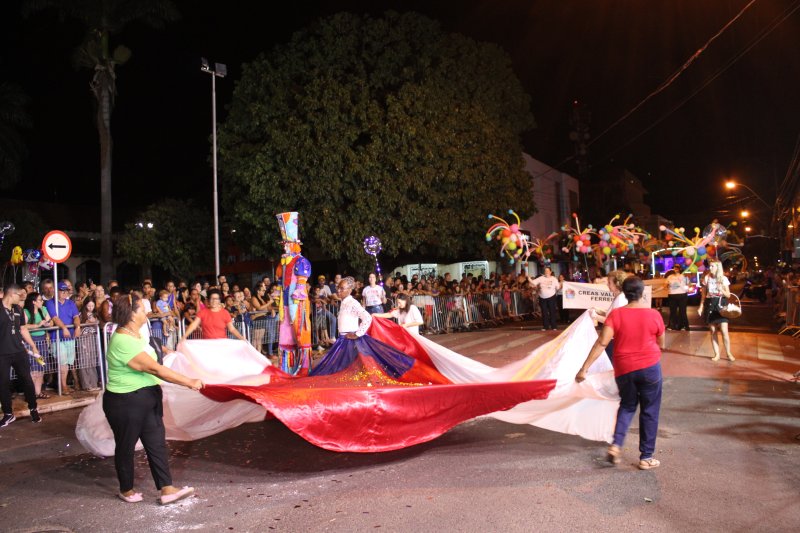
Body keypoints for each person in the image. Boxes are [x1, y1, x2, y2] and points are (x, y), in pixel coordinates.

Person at [103, 293, 202, 504]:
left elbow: (154, 357)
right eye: (142, 308)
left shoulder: (138, 334)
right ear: (132, 315)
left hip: (148, 396)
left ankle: (167, 489)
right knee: (126, 446)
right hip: (125, 401)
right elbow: (154, 368)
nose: (146, 311)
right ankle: (126, 489)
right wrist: (189, 381)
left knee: (156, 443)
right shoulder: (121, 340)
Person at [575, 276, 665, 470]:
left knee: (627, 406)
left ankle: (616, 445)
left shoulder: (616, 315)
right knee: (650, 411)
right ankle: (646, 457)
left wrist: (584, 368)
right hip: (650, 368)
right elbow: (662, 343)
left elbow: (602, 343)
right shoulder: (654, 315)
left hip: (624, 368)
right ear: (642, 294)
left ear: (624, 292)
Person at [1, 284, 42, 427]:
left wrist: (33, 345)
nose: (22, 297)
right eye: (19, 295)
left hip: (19, 351)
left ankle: (33, 409)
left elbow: (23, 329)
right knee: (3, 383)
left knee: (27, 380)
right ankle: (8, 414)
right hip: (2, 353)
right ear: (11, 294)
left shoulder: (18, 309)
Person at [45, 282, 81, 394]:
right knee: (62, 362)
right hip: (57, 337)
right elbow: (54, 317)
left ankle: (67, 384)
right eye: (62, 290)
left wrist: (78, 327)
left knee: (70, 361)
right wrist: (64, 328)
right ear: (56, 291)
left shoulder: (70, 303)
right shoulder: (50, 303)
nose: (65, 293)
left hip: (70, 337)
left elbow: (76, 316)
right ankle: (63, 386)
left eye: (66, 291)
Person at [699, 261, 735, 362]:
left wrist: (721, 290)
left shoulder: (723, 278)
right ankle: (717, 354)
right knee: (713, 331)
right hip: (710, 303)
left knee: (724, 330)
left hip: (721, 303)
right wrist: (701, 306)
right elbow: (703, 295)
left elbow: (728, 295)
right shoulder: (706, 278)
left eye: (712, 266)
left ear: (718, 267)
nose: (710, 268)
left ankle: (728, 353)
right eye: (709, 266)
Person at [591, 270, 630, 362]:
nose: (607, 285)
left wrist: (596, 316)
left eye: (609, 283)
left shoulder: (621, 299)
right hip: (613, 338)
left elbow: (614, 322)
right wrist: (600, 311)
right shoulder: (619, 297)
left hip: (615, 340)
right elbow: (612, 313)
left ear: (617, 284)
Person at [180, 289, 247, 342]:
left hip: (222, 344)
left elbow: (232, 329)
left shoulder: (225, 313)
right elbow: (194, 325)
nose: (214, 301)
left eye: (216, 299)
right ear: (208, 300)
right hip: (208, 345)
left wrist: (242, 338)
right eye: (212, 299)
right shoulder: (202, 313)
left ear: (219, 300)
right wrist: (184, 336)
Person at [22, 292, 52, 399]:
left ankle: (38, 392)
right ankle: (31, 393)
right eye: (39, 300)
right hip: (31, 341)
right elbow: (23, 326)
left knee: (40, 366)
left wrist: (48, 324)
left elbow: (50, 321)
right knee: (32, 368)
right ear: (33, 302)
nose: (42, 301)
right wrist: (38, 325)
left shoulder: (43, 309)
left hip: (42, 340)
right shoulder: (26, 311)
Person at [530, 266, 560, 331]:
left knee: (552, 311)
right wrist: (528, 277)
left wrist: (559, 286)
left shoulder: (554, 279)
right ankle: (545, 326)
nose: (546, 272)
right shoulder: (541, 278)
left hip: (551, 297)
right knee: (544, 312)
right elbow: (533, 282)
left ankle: (554, 326)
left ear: (550, 272)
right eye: (545, 271)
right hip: (542, 297)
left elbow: (557, 287)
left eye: (547, 271)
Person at [666, 264, 690, 331]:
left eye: (677, 267)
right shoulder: (670, 277)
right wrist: (655, 291)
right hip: (672, 295)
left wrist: (687, 288)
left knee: (682, 311)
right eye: (674, 267)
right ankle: (672, 326)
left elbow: (688, 284)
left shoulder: (684, 276)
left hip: (682, 295)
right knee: (673, 311)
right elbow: (665, 285)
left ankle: (683, 326)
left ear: (680, 269)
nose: (675, 268)